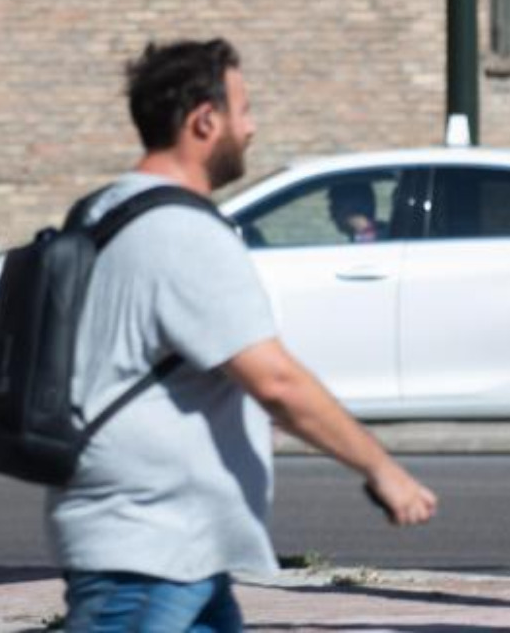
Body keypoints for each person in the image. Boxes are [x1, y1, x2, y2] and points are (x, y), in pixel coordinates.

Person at [51, 38, 437, 633]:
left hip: (176, 549)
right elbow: (276, 381)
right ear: (205, 121)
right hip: (150, 551)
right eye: (244, 109)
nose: (252, 128)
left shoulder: (104, 209)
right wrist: (381, 468)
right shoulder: (181, 231)